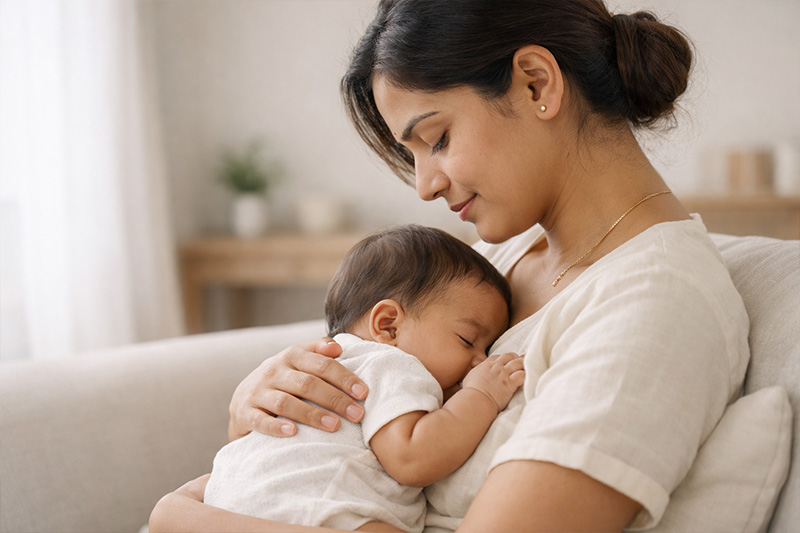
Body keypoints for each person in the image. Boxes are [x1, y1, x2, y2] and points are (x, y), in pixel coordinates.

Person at [150, 1, 750, 531]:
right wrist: (259, 403)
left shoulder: (654, 305)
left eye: (435, 139)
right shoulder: (501, 256)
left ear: (537, 84)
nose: (425, 186)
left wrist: (178, 515)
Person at [201, 225, 524, 533]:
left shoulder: (330, 360)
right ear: (388, 326)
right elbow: (412, 458)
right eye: (468, 340)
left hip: (228, 502)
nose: (481, 361)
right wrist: (483, 394)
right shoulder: (390, 363)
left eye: (488, 347)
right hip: (312, 508)